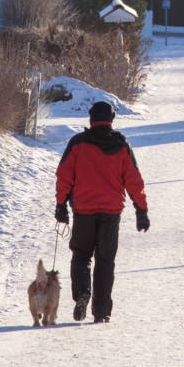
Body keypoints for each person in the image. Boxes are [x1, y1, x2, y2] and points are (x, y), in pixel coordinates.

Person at [54, 100, 149, 324]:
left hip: (84, 210)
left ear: (91, 119)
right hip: (111, 212)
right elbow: (134, 180)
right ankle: (101, 311)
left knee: (81, 256)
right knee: (106, 261)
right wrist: (141, 209)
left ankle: (83, 293)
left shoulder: (78, 143)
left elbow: (64, 175)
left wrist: (61, 205)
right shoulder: (121, 145)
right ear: (111, 119)